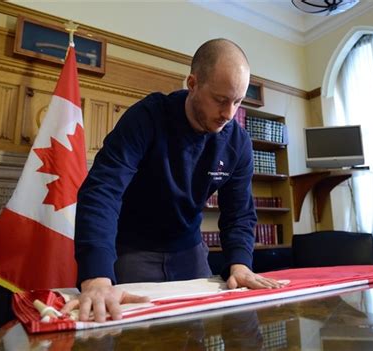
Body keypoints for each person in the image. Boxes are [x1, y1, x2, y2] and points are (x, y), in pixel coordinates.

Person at [62, 38, 285, 323]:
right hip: (132, 247)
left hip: (189, 249)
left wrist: (240, 264)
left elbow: (239, 212)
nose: (229, 114)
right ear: (192, 84)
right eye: (220, 100)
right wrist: (96, 278)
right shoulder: (146, 118)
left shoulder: (238, 143)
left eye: (238, 101)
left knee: (197, 330)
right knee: (134, 334)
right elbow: (102, 191)